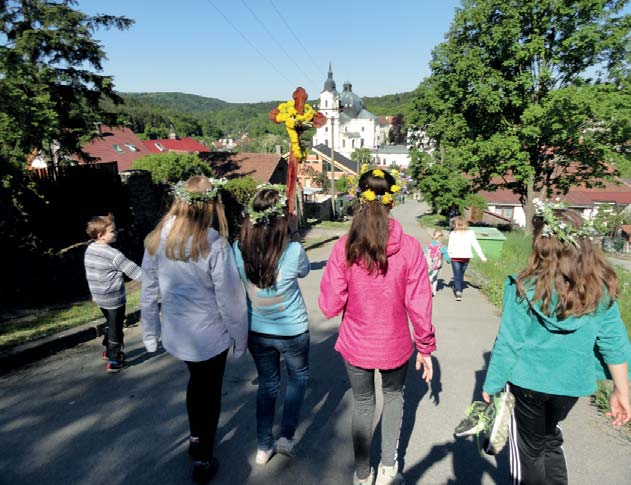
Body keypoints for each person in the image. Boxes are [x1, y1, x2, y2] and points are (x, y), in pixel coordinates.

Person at [482, 201, 631, 485]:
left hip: (527, 384)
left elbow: (509, 342)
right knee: (550, 439)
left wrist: (491, 384)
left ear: (541, 245)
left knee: (528, 453)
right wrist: (621, 391)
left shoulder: (524, 286)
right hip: (570, 386)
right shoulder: (600, 290)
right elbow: (615, 343)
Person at [318, 169, 435, 485]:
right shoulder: (410, 247)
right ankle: (387, 469)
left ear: (359, 197)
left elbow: (328, 306)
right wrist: (424, 347)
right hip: (396, 343)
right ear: (393, 199)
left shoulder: (345, 246)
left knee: (363, 404)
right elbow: (420, 302)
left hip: (356, 342)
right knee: (395, 397)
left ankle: (361, 474)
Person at [141, 176, 248, 483]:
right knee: (208, 392)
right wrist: (240, 338)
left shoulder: (158, 237)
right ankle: (202, 456)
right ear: (209, 206)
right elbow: (230, 298)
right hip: (209, 335)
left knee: (196, 384)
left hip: (178, 332)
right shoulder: (213, 241)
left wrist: (150, 332)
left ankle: (196, 438)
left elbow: (148, 290)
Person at [232, 185, 310, 465]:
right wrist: (294, 232)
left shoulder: (238, 249)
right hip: (293, 330)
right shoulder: (293, 250)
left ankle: (263, 446)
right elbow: (305, 270)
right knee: (298, 378)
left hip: (258, 330)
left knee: (267, 385)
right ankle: (286, 437)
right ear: (281, 220)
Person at [84, 214, 141, 373]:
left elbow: (90, 274)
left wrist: (93, 294)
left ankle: (108, 349)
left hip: (100, 297)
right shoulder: (114, 254)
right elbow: (135, 272)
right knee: (116, 327)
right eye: (113, 231)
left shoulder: (90, 250)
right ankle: (115, 359)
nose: (116, 233)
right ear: (101, 235)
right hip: (114, 298)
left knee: (110, 323)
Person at [447, 216, 487, 301]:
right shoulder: (453, 234)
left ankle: (457, 286)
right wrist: (449, 255)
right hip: (456, 257)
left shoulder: (470, 233)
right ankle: (458, 292)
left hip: (464, 257)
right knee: (458, 275)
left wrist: (482, 256)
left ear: (456, 224)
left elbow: (475, 245)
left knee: (460, 274)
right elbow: (450, 246)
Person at [425, 229, 450, 296]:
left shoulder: (429, 245)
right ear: (441, 237)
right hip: (437, 265)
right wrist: (449, 261)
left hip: (428, 264)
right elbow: (446, 256)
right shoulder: (442, 247)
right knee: (434, 277)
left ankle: (432, 290)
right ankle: (432, 290)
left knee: (430, 276)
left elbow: (424, 254)